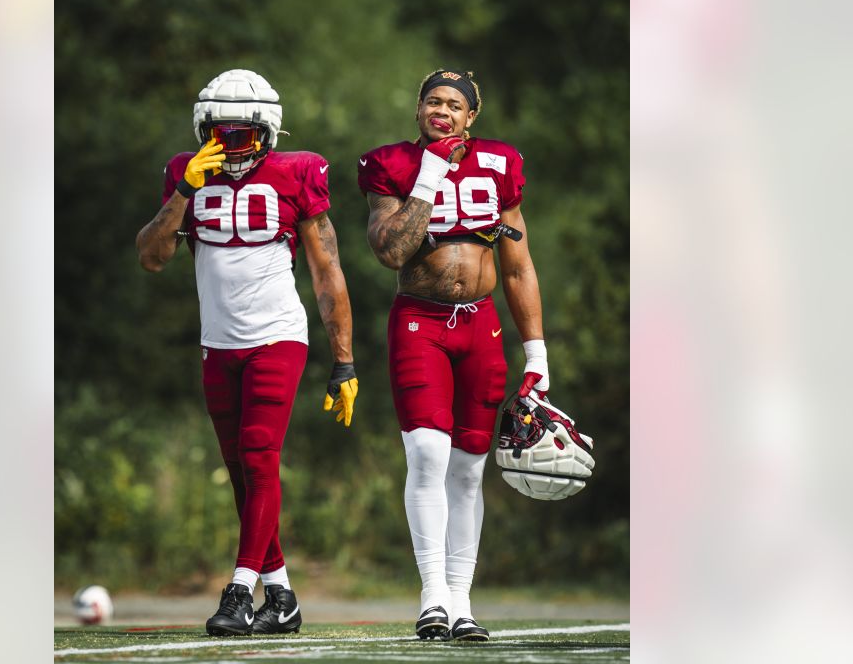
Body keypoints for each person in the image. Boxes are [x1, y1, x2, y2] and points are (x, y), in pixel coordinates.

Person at [136, 69, 358, 636]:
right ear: (202, 129)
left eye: (243, 135)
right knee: (239, 469)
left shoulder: (296, 172)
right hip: (218, 342)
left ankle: (238, 591)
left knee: (260, 455)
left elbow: (326, 270)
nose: (230, 147)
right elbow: (152, 257)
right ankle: (280, 596)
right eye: (220, 133)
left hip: (277, 335)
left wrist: (344, 359)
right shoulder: (185, 174)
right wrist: (185, 188)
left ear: (268, 132)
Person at [358, 69, 571, 642]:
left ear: (470, 116)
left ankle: (461, 602)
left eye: (454, 104)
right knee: (427, 454)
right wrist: (429, 175)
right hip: (419, 322)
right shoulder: (391, 165)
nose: (442, 111)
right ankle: (432, 598)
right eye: (432, 100)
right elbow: (390, 250)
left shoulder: (500, 164)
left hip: (481, 325)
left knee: (470, 469)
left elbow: (519, 265)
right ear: (418, 109)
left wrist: (538, 354)